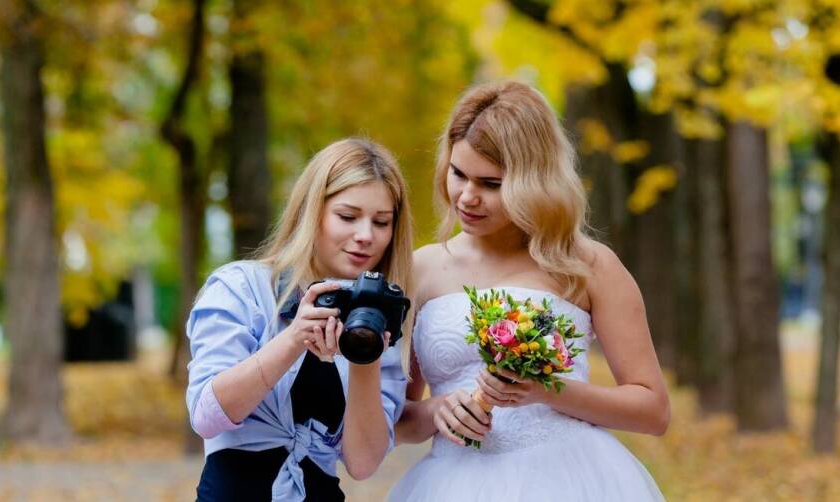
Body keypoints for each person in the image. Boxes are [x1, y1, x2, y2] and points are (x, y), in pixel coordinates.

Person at [389, 80, 669, 501]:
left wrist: (545, 390)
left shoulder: (587, 266)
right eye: (458, 173)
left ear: (533, 181)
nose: (467, 197)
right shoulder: (420, 268)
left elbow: (653, 411)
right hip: (452, 484)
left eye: (491, 184)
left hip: (569, 481)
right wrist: (435, 410)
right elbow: (393, 419)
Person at [186, 138, 414, 501]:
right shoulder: (242, 288)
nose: (366, 236)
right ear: (312, 212)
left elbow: (362, 463)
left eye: (381, 222)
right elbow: (207, 417)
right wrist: (293, 339)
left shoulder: (380, 319)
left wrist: (364, 355)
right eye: (348, 216)